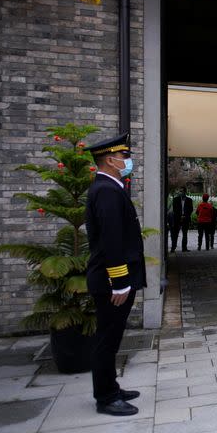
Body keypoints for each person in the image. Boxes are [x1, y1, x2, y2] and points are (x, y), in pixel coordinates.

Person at [83, 132, 145, 416]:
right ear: (110, 160)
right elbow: (111, 240)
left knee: (112, 336)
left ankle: (111, 386)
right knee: (107, 339)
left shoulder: (109, 187)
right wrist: (119, 282)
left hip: (113, 278)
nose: (127, 160)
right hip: (112, 280)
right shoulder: (107, 190)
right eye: (124, 156)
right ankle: (106, 397)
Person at [170, 187, 193, 252]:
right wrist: (180, 216)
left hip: (186, 218)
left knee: (185, 234)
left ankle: (184, 248)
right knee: (175, 234)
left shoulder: (189, 200)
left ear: (185, 192)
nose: (180, 192)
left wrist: (185, 216)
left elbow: (190, 209)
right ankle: (173, 248)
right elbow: (175, 209)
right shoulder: (175, 199)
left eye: (182, 191)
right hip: (177, 218)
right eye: (180, 191)